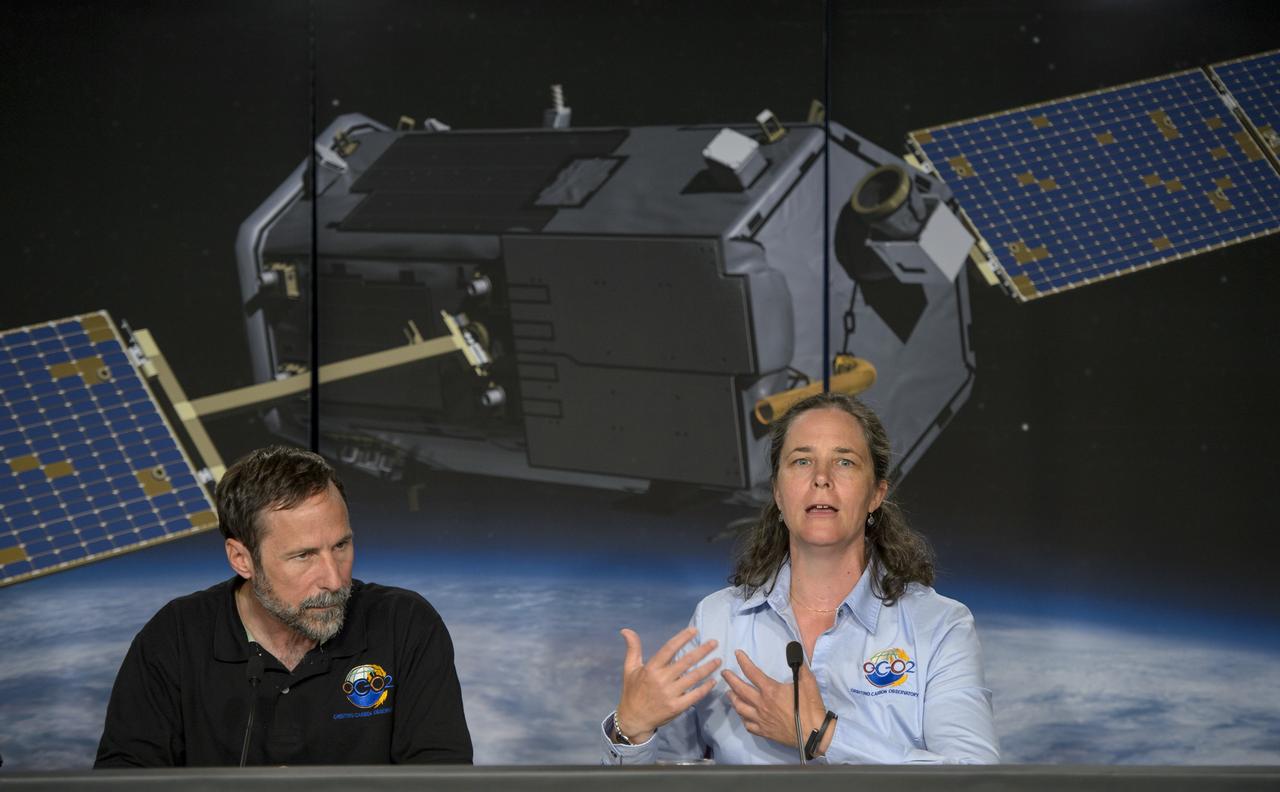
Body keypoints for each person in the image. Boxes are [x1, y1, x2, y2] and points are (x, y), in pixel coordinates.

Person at [601, 392, 998, 764]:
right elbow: (669, 772)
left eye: (844, 461)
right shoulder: (717, 620)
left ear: (876, 493)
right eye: (802, 461)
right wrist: (631, 730)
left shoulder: (941, 626)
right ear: (777, 492)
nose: (821, 477)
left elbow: (976, 778)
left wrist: (822, 735)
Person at [95, 446, 472, 766]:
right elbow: (125, 780)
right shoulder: (175, 637)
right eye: (304, 556)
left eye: (341, 546)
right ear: (242, 559)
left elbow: (443, 779)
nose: (335, 580)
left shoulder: (404, 624)